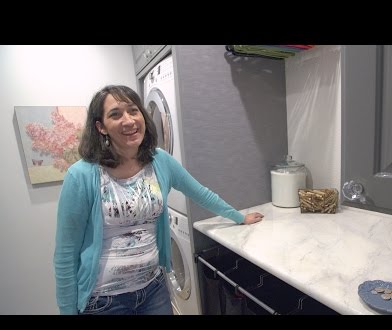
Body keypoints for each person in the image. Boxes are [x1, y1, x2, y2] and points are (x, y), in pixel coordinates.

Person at [53, 84, 264, 315]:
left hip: (153, 290)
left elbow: (200, 193)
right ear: (101, 127)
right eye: (115, 114)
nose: (129, 120)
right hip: (104, 302)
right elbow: (65, 254)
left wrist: (238, 217)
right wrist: (67, 311)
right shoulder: (81, 175)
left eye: (133, 111)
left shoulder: (159, 160)